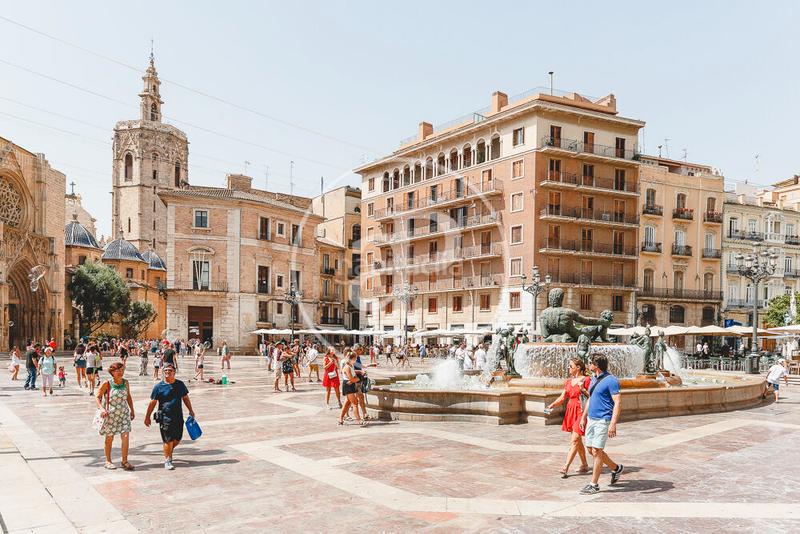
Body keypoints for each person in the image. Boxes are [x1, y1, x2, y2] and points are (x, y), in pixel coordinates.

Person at [579, 353, 623, 495]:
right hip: (591, 419)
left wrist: (613, 423)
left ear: (596, 365)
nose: (588, 365)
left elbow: (617, 402)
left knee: (597, 451)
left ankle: (594, 484)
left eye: (590, 363)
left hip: (603, 420)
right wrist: (583, 417)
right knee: (590, 449)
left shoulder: (611, 381)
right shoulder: (593, 379)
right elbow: (591, 399)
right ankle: (616, 468)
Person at [144, 364, 195, 470]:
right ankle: (167, 460)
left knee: (177, 438)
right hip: (165, 417)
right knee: (168, 440)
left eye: (170, 370)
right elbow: (152, 402)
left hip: (178, 416)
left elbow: (185, 397)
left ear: (174, 372)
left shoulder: (180, 384)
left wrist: (191, 410)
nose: (167, 372)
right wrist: (147, 416)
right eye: (166, 370)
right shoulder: (158, 387)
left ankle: (168, 451)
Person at [547, 357, 591, 478]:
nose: (568, 368)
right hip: (571, 411)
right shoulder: (569, 381)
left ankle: (565, 467)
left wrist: (583, 389)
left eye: (571, 366)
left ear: (578, 367)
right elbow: (563, 397)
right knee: (578, 440)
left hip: (581, 411)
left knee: (575, 439)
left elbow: (592, 396)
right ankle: (584, 465)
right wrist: (553, 404)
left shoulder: (586, 380)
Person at [96, 362, 135, 470]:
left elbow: (128, 396)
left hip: (123, 414)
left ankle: (124, 461)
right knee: (109, 438)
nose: (121, 372)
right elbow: (97, 396)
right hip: (110, 415)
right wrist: (102, 408)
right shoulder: (107, 383)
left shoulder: (126, 382)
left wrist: (132, 410)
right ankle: (108, 461)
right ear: (112, 372)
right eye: (118, 370)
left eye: (122, 370)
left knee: (125, 436)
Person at [338, 352, 364, 426]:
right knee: (355, 403)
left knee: (347, 403)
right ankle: (359, 420)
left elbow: (353, 376)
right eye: (355, 358)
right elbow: (351, 379)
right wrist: (360, 378)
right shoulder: (347, 367)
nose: (355, 360)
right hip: (348, 385)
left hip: (351, 385)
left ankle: (340, 419)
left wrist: (359, 373)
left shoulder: (351, 365)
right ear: (351, 359)